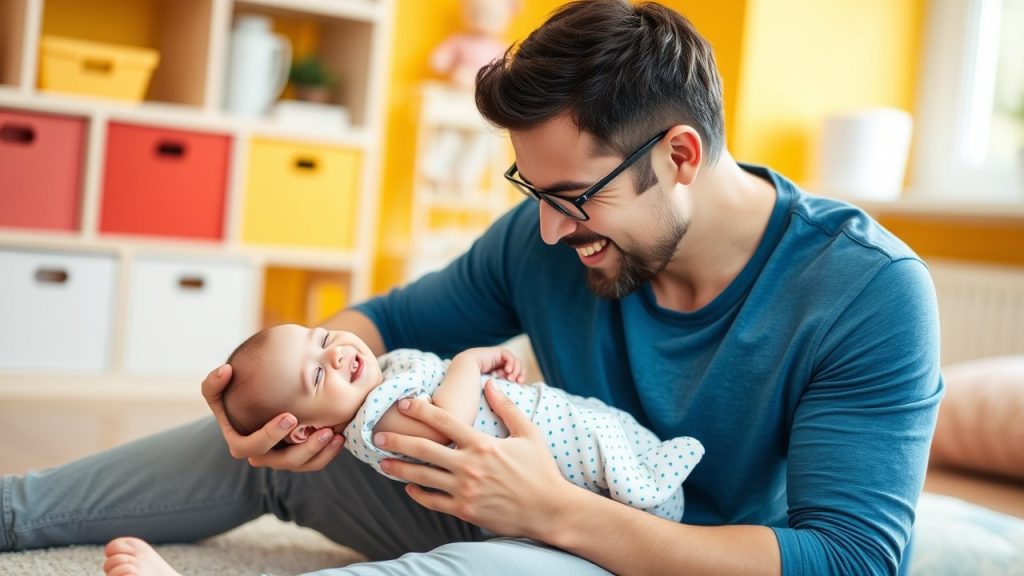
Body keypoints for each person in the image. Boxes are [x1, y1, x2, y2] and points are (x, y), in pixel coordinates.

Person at [1, 2, 942, 575]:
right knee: (286, 449)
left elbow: (851, 561)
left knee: (482, 570)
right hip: (494, 493)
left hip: (662, 556)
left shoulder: (865, 294)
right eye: (532, 193)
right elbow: (381, 325)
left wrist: (556, 513)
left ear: (681, 156)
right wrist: (292, 406)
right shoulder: (549, 239)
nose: (546, 231)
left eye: (572, 198)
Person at [219, 323, 702, 522]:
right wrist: (469, 364)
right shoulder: (375, 415)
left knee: (605, 428)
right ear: (301, 430)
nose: (338, 351)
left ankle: (643, 472)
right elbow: (447, 425)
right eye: (320, 372)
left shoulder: (375, 383)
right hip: (548, 460)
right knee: (601, 447)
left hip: (542, 443)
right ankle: (643, 481)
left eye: (322, 336)